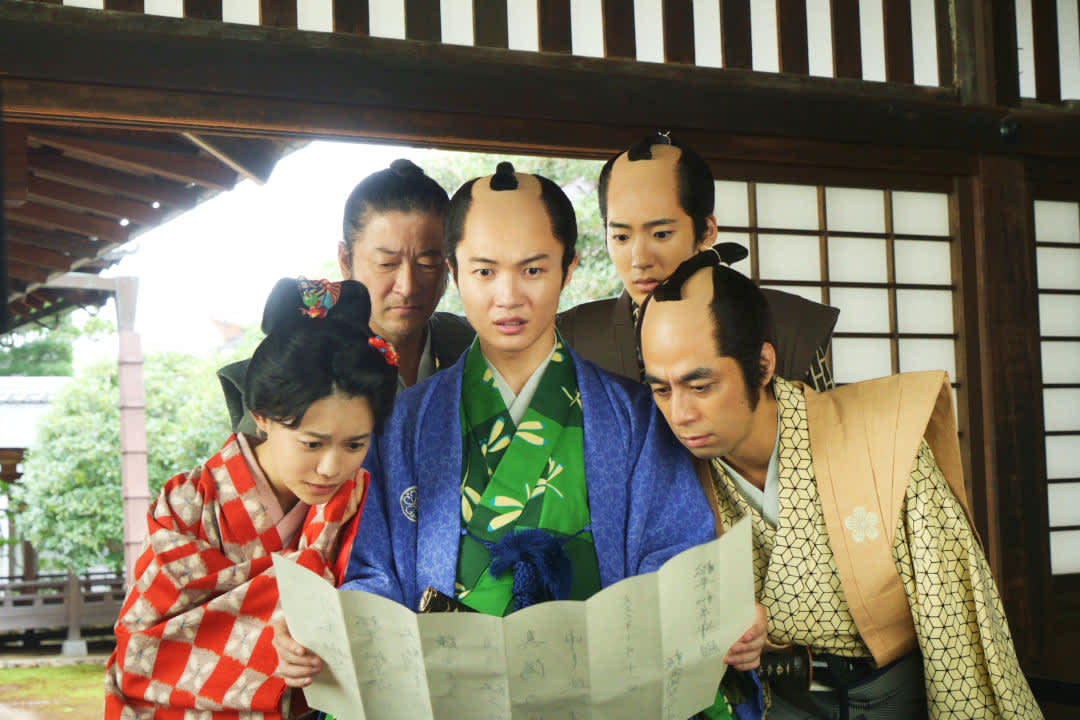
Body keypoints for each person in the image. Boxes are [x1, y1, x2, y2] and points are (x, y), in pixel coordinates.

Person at [275, 162, 766, 719]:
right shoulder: (403, 420)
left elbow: (675, 555)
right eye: (484, 273)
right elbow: (375, 574)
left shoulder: (634, 415)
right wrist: (332, 635)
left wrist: (716, 618)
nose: (507, 297)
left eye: (532, 270)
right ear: (455, 273)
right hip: (446, 701)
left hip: (604, 697)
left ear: (569, 267)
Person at [637, 249, 1042, 719]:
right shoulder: (670, 468)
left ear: (763, 366)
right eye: (661, 389)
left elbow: (952, 619)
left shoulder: (879, 440)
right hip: (776, 700)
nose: (680, 414)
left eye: (701, 385)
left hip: (891, 695)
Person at [105, 278, 398, 719]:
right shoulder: (187, 504)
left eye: (355, 445)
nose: (331, 469)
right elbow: (143, 649)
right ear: (262, 417)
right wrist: (270, 639)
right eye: (313, 444)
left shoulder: (359, 500)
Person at [558, 134, 838, 390]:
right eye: (621, 237)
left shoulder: (786, 326)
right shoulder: (575, 336)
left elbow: (826, 435)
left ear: (706, 231)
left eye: (661, 234)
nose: (639, 259)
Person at [218, 159, 473, 435]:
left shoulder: (473, 346)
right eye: (386, 264)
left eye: (427, 264)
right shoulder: (299, 360)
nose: (408, 286)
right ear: (345, 260)